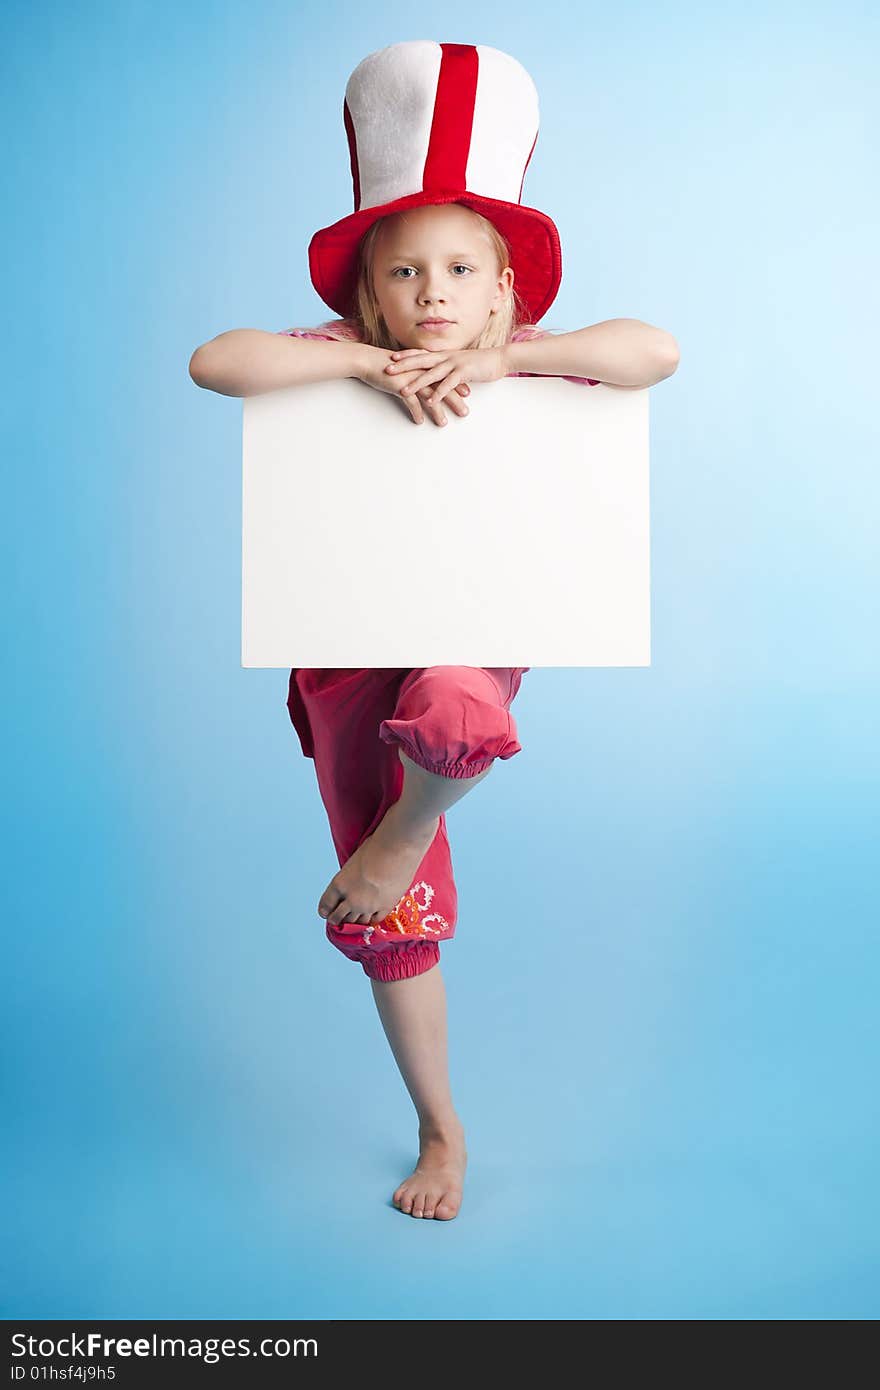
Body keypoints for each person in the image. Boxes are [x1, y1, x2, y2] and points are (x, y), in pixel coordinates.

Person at [189, 42, 679, 1223]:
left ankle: (409, 828)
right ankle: (440, 1125)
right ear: (367, 295)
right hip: (349, 654)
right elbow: (214, 362)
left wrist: (513, 361)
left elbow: (653, 351)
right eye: (402, 274)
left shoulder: (524, 362)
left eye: (462, 269)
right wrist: (360, 367)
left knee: (461, 700)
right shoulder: (337, 355)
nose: (432, 294)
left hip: (472, 630)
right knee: (389, 927)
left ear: (505, 289)